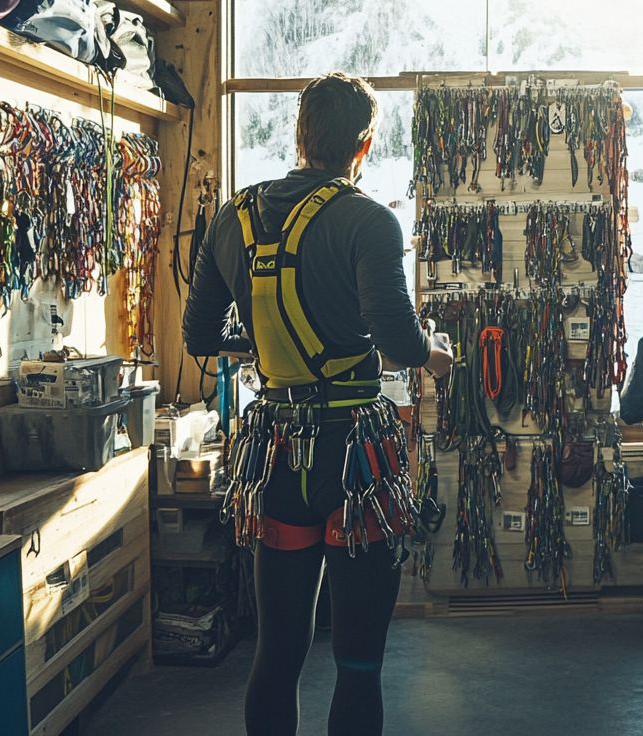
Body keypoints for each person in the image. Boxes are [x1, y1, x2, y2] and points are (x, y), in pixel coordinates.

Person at [182, 72, 453, 736]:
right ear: (364, 144)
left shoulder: (232, 217)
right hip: (353, 457)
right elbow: (394, 337)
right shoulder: (368, 220)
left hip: (274, 459)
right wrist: (435, 354)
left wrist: (270, 331)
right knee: (358, 662)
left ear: (300, 135)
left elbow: (198, 337)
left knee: (278, 654)